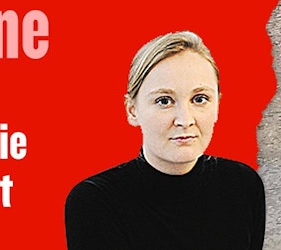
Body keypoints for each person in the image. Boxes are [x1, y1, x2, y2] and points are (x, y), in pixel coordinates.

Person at [65, 31, 265, 249]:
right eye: (164, 101)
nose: (185, 120)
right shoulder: (95, 201)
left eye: (199, 99)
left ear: (218, 105)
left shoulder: (243, 185)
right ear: (132, 110)